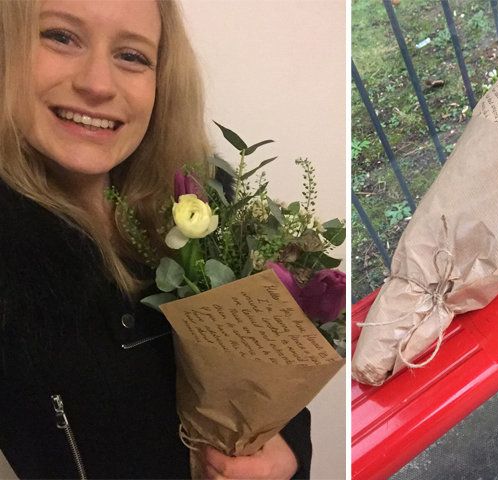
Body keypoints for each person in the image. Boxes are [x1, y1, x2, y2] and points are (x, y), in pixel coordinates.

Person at [0, 0, 311, 478]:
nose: (97, 84)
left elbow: (272, 377)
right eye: (61, 37)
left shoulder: (211, 200)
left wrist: (286, 458)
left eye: (133, 56)